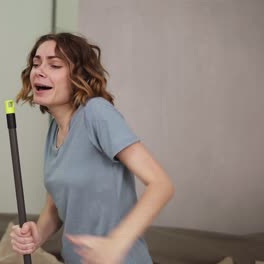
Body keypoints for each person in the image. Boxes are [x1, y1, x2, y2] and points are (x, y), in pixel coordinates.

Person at [11, 32, 174, 264]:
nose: (39, 70)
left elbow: (162, 185)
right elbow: (55, 206)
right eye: (36, 64)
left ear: (79, 75)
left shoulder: (96, 113)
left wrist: (117, 242)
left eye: (54, 64)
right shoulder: (53, 131)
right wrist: (38, 234)